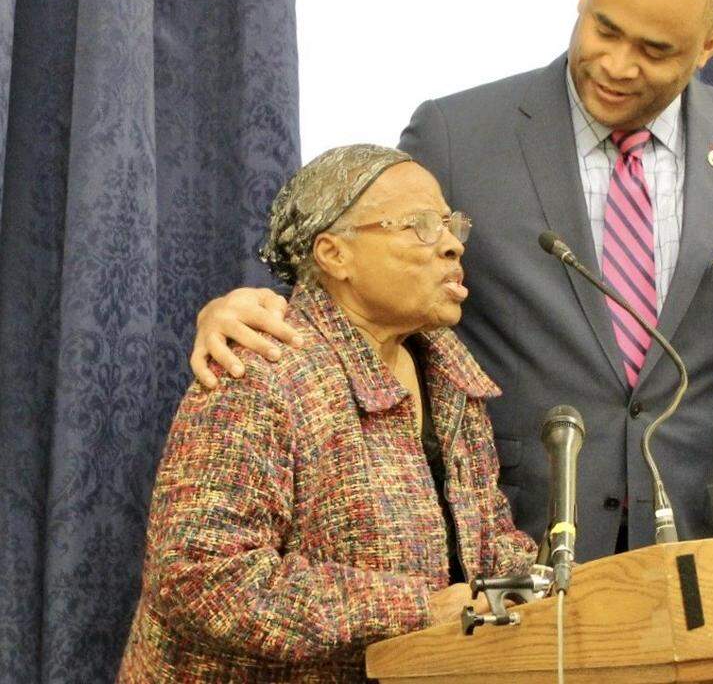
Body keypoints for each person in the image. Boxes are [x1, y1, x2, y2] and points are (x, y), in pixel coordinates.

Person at [191, 0, 713, 561]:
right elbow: (364, 284)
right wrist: (248, 312)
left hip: (686, 549)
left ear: (710, 43)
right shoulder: (458, 136)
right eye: (605, 29)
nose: (617, 64)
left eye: (655, 50)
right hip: (506, 546)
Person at [118, 145, 535, 682]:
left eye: (452, 225)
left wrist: (531, 585)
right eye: (422, 225)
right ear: (335, 254)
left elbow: (485, 538)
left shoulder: (451, 375)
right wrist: (415, 609)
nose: (453, 245)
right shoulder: (261, 373)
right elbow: (201, 580)